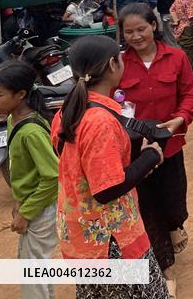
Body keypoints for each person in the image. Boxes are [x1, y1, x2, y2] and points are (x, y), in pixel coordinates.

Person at [51, 36, 170, 298]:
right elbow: (107, 189)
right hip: (110, 239)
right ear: (112, 65)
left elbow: (73, 161)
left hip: (79, 231)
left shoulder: (66, 111)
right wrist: (150, 156)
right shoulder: (100, 121)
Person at [118, 3, 193, 293]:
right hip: (136, 151)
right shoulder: (119, 64)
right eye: (129, 32)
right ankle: (165, 267)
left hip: (171, 143)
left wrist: (179, 119)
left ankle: (176, 224)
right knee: (146, 205)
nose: (136, 36)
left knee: (174, 195)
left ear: (154, 25)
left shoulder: (176, 57)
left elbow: (189, 93)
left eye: (141, 29)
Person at [0, 61, 58, 299]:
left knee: (31, 269)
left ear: (20, 95)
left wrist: (26, 212)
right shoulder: (12, 120)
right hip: (31, 203)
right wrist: (18, 200)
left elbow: (52, 176)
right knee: (34, 264)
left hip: (41, 208)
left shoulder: (31, 132)